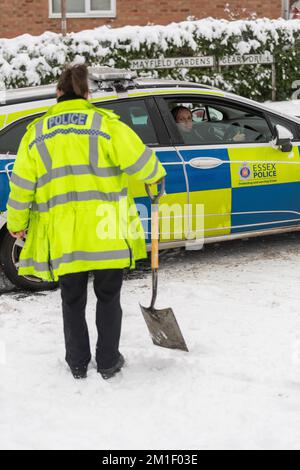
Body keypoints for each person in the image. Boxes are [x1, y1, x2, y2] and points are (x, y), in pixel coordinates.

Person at [6, 64, 166, 380]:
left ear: (57, 93)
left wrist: (17, 222)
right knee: (109, 297)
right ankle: (108, 361)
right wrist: (155, 182)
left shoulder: (36, 132)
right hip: (106, 229)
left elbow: (22, 185)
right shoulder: (106, 125)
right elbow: (145, 164)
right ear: (88, 94)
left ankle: (77, 363)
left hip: (65, 235)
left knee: (72, 299)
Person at [171, 105, 246, 143]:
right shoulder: (180, 139)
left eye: (189, 118)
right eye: (181, 119)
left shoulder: (193, 132)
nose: (187, 122)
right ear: (174, 122)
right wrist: (233, 140)